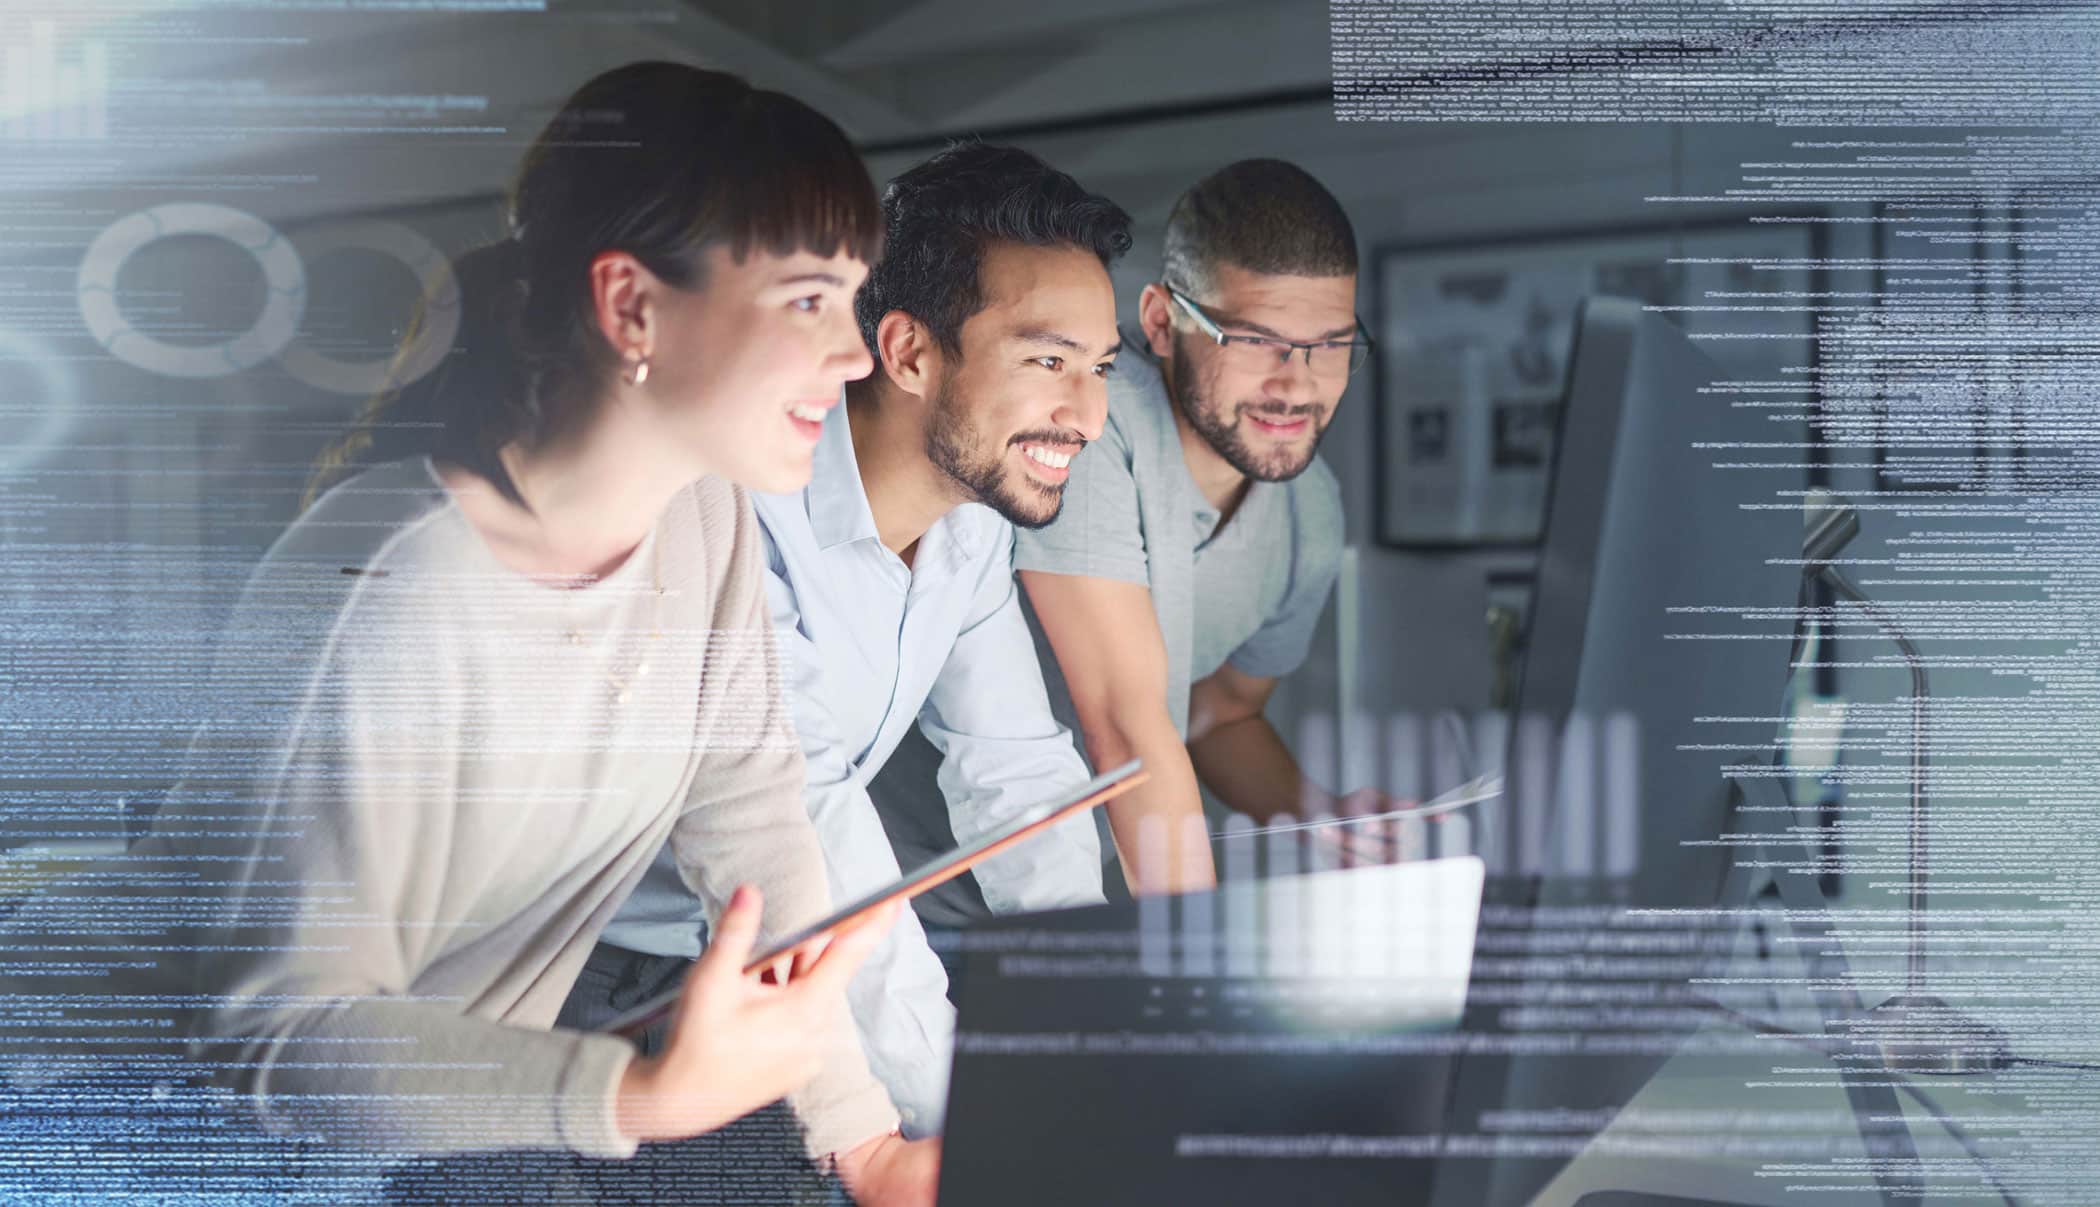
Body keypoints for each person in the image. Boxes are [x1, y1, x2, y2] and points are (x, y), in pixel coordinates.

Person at [6, 62, 929, 1205]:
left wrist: (866, 1139)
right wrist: (633, 1097)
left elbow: (749, 814)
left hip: (364, 1142)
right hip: (101, 1119)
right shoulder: (390, 589)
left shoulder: (704, 512)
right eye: (807, 300)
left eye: (851, 298)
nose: (856, 352)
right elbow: (275, 1033)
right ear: (632, 304)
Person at [578, 141, 1130, 1137]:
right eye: (1049, 360)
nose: (1087, 413)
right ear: (909, 350)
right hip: (598, 976)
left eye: (1098, 368)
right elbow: (809, 814)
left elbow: (1017, 775)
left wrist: (1091, 1013)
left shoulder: (972, 525)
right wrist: (970, 1121)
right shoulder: (740, 504)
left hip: (760, 963)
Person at [1015, 158, 1391, 893]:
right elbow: (1126, 724)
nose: (1296, 383)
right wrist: (1202, 960)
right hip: (917, 889)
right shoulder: (1092, 424)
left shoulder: (1310, 509)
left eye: (1332, 345)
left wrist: (1317, 812)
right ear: (1161, 323)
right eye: (1255, 340)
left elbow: (1216, 716)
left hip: (1069, 892)